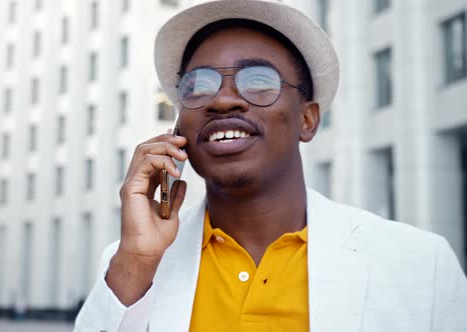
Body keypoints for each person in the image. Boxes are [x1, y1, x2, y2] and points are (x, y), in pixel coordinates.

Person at [73, 1, 467, 331]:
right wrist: (136, 263)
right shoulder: (131, 263)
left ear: (308, 119)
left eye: (258, 79)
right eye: (198, 86)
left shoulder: (420, 266)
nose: (222, 100)